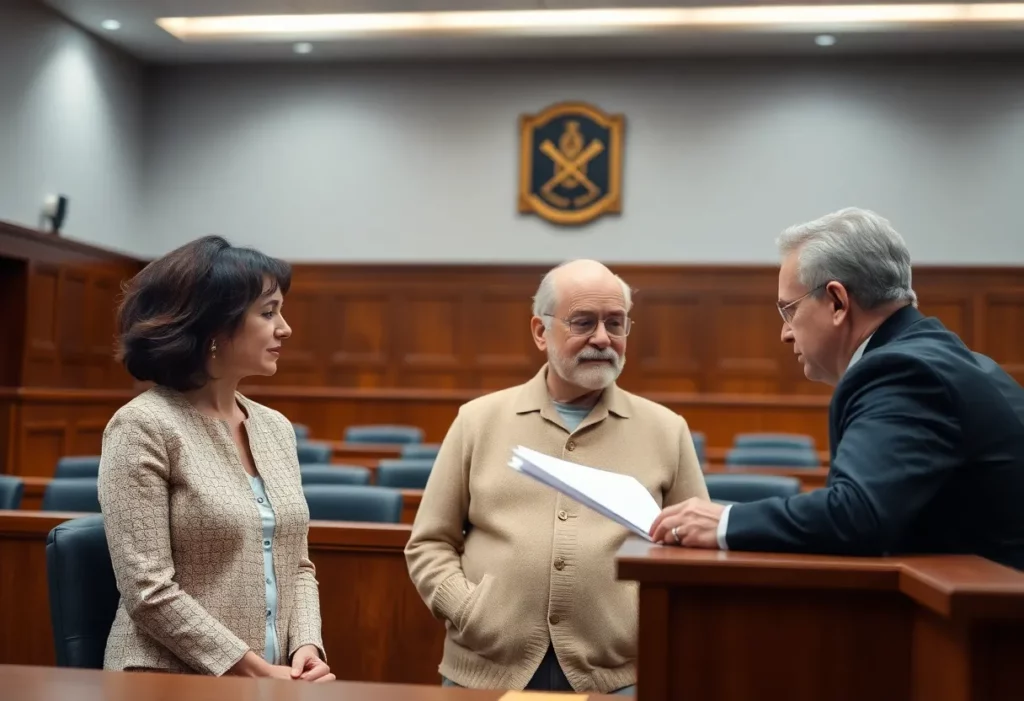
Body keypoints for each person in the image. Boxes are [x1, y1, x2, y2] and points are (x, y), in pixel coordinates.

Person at [651, 207, 1024, 570]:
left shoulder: (902, 371)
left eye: (789, 310)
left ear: (837, 301)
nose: (784, 333)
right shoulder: (938, 355)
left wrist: (724, 522)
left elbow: (858, 514)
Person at [405, 259, 708, 694]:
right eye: (583, 322)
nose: (602, 338)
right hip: (485, 669)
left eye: (615, 323)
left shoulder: (666, 429)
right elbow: (429, 543)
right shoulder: (478, 420)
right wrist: (469, 610)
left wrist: (636, 622)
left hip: (617, 674)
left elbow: (692, 555)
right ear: (539, 331)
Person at [97, 236, 334, 680]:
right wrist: (252, 670)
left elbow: (296, 561)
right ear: (213, 328)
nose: (285, 328)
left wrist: (306, 645)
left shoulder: (275, 428)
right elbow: (148, 591)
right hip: (165, 678)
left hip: (273, 677)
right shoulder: (142, 426)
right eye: (268, 313)